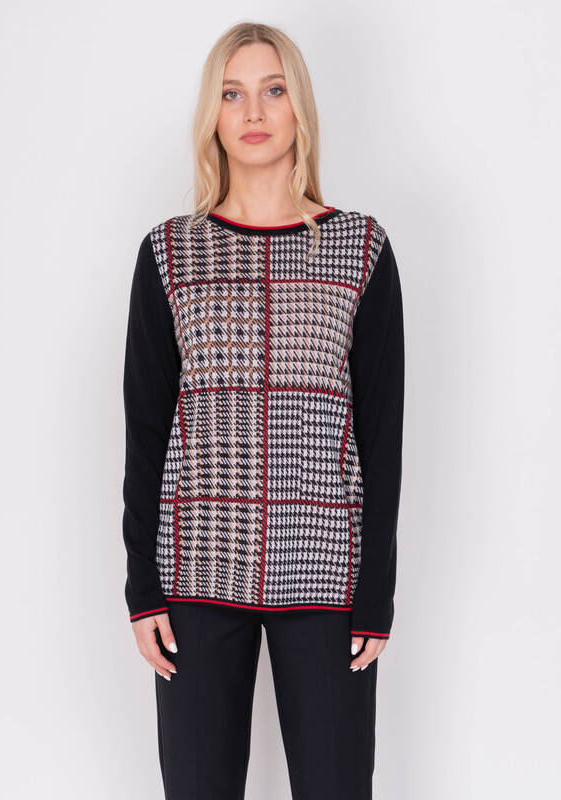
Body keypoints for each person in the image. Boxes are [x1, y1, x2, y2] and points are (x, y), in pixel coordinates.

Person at [122, 21, 405, 800]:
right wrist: (142, 586)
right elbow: (145, 430)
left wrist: (375, 589)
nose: (253, 111)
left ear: (298, 106)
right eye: (232, 93)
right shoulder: (169, 254)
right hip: (197, 571)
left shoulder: (361, 249)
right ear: (212, 115)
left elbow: (382, 434)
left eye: (273, 90)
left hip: (325, 572)